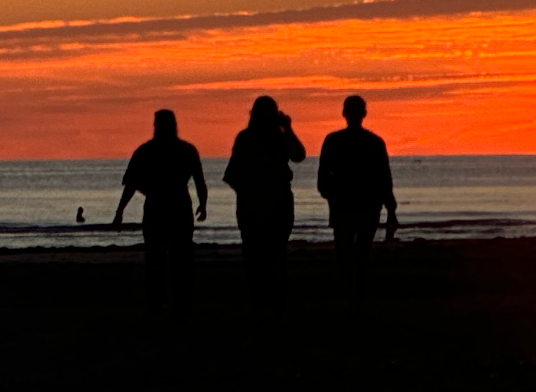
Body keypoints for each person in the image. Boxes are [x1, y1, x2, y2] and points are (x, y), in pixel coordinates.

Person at [113, 109, 208, 317]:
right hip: (173, 208)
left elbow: (131, 184)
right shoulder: (182, 150)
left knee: (165, 260)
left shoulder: (150, 151)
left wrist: (203, 203)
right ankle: (173, 304)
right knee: (173, 260)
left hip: (166, 209)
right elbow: (199, 180)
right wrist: (203, 203)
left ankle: (165, 305)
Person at [223, 96, 306, 308]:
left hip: (257, 205)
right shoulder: (275, 138)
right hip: (275, 204)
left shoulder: (248, 138)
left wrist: (246, 193)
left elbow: (232, 175)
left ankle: (262, 301)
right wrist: (288, 128)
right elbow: (298, 154)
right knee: (275, 255)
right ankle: (274, 302)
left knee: (256, 257)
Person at [317, 95, 397, 307]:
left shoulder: (334, 141)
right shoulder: (374, 142)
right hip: (365, 206)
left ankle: (350, 295)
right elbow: (384, 178)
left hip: (346, 206)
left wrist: (332, 196)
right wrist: (390, 208)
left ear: (344, 113)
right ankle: (357, 296)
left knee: (345, 254)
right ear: (364, 114)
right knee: (361, 255)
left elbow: (323, 180)